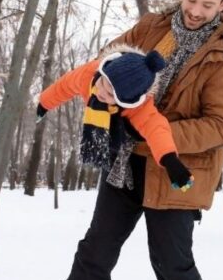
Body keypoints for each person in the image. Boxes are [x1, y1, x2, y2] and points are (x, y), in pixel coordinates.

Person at [51, 0, 223, 280]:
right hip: (123, 164)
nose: (195, 10)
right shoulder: (151, 27)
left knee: (173, 263)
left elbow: (220, 125)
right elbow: (106, 62)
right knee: (95, 254)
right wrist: (104, 88)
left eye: (207, 5)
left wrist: (157, 136)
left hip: (175, 173)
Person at [36, 46, 194, 192]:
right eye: (103, 82)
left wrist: (169, 159)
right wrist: (44, 103)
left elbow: (156, 128)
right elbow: (64, 86)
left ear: (127, 100)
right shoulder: (89, 74)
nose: (101, 92)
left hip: (124, 151)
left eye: (111, 94)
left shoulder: (138, 107)